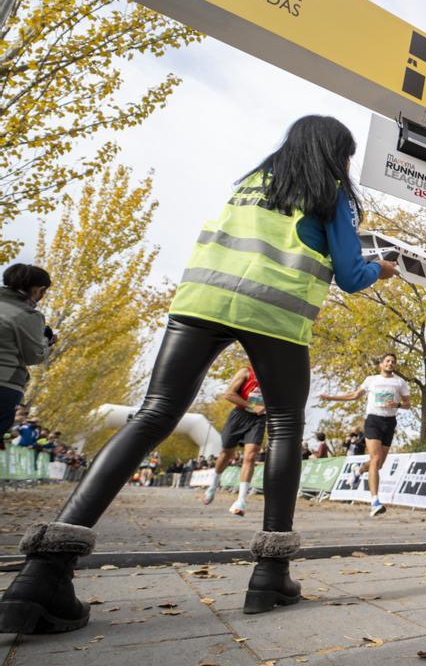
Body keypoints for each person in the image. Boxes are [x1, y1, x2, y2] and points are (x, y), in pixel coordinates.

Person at [0, 115, 398, 635]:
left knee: (153, 416)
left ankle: (41, 573)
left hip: (199, 301)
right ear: (335, 154)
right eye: (346, 155)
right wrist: (381, 269)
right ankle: (270, 572)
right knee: (284, 426)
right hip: (273, 312)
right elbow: (349, 274)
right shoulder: (332, 192)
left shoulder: (252, 183)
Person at [320, 353, 411, 516]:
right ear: (381, 365)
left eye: (393, 362)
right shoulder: (371, 380)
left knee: (379, 464)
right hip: (373, 421)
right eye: (387, 361)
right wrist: (332, 398)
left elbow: (407, 404)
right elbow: (354, 396)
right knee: (375, 459)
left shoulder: (400, 382)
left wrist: (396, 404)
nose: (390, 363)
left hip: (389, 423)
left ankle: (358, 471)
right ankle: (375, 501)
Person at [202, 365, 268, 516]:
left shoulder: (275, 376)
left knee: (250, 457)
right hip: (239, 416)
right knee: (226, 454)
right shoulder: (246, 371)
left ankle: (241, 500)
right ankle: (213, 485)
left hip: (258, 419)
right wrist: (252, 405)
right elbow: (229, 394)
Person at [0, 264, 54, 446]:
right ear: (38, 290)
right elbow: (34, 355)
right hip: (4, 383)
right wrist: (47, 341)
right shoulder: (27, 315)